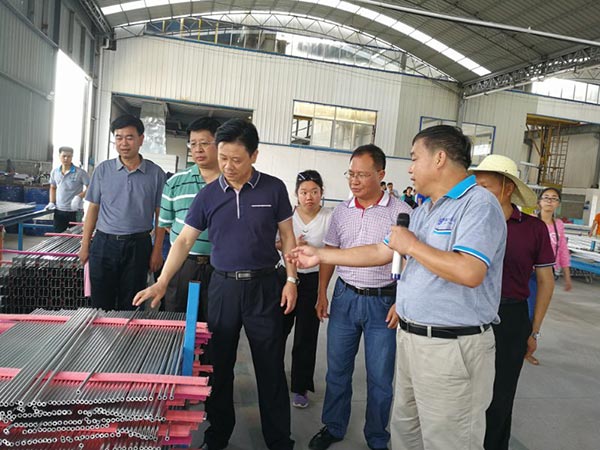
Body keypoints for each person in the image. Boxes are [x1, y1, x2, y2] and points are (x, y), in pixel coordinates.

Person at [289, 125, 507, 450]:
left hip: (450, 345)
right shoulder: (427, 210)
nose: (410, 168)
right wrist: (320, 255)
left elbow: (470, 270)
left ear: (439, 158)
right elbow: (381, 250)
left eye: (415, 158)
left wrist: (412, 245)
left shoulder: (478, 205)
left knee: (448, 438)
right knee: (408, 432)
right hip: (413, 337)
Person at [133, 119, 297, 450]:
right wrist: (162, 282)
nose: (228, 166)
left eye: (237, 159)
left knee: (270, 366)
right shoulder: (208, 195)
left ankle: (279, 440)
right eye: (223, 158)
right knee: (219, 367)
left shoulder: (273, 189)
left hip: (264, 287)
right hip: (222, 288)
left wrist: (291, 279)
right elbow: (183, 241)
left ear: (254, 155)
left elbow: (288, 237)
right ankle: (218, 434)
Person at [305, 144, 412, 450]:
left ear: (381, 174)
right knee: (338, 369)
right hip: (345, 297)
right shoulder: (341, 212)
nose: (354, 180)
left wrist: (401, 302)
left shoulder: (402, 213)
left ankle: (377, 436)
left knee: (380, 376)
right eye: (350, 174)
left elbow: (412, 262)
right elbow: (330, 254)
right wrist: (322, 293)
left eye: (362, 175)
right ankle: (334, 426)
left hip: (384, 301)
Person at [471, 155, 555, 450]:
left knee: (501, 395)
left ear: (508, 188)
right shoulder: (471, 223)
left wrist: (534, 330)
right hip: (469, 313)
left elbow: (545, 282)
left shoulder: (533, 229)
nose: (478, 194)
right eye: (476, 187)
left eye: (485, 187)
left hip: (510, 317)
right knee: (464, 392)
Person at [79, 115, 166, 311]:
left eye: (129, 137)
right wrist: (85, 245)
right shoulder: (103, 170)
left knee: (132, 303)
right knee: (101, 303)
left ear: (141, 139)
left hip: (139, 246)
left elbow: (161, 214)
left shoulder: (156, 174)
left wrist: (157, 250)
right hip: (104, 244)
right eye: (118, 138)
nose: (123, 143)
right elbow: (93, 209)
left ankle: (128, 331)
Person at [158, 117, 220, 320]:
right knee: (176, 319)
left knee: (215, 323)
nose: (198, 149)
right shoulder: (175, 182)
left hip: (220, 267)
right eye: (193, 144)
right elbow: (167, 225)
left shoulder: (232, 184)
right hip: (182, 265)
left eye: (204, 143)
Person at [281, 170, 333, 409]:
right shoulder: (288, 216)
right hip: (285, 279)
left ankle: (300, 387)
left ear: (322, 193)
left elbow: (331, 254)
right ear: (296, 194)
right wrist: (291, 244)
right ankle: (274, 379)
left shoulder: (329, 217)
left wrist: (322, 292)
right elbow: (276, 242)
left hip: (313, 281)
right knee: (277, 332)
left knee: (306, 336)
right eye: (303, 192)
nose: (309, 197)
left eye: (314, 191)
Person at [525, 187, 571, 366]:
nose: (550, 201)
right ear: (539, 202)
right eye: (546, 197)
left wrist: (567, 275)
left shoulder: (558, 226)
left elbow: (563, 250)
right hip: (528, 273)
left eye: (554, 198)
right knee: (527, 311)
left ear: (558, 204)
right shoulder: (530, 222)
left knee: (538, 313)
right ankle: (522, 345)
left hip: (547, 275)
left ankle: (529, 348)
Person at [47, 147, 90, 232]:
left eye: (69, 156)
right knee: (58, 235)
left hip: (75, 211)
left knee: (76, 235)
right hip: (59, 210)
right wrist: (51, 202)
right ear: (59, 156)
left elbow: (91, 188)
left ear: (72, 157)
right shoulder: (55, 172)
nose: (66, 158)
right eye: (64, 156)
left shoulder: (80, 173)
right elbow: (53, 187)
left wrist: (79, 196)